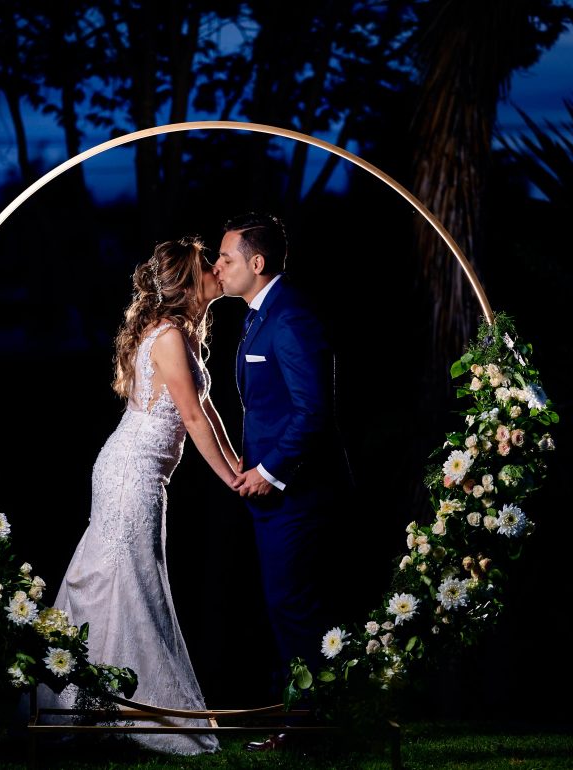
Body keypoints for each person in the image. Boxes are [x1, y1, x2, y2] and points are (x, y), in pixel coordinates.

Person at [37, 236, 240, 755]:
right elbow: (191, 417)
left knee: (121, 583)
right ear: (189, 282)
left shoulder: (180, 333)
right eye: (208, 265)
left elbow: (207, 410)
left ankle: (93, 707)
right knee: (132, 585)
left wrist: (237, 463)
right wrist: (230, 479)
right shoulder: (168, 336)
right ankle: (132, 715)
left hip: (137, 472)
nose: (217, 270)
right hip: (131, 473)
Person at [213, 212, 352, 752]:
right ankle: (309, 722)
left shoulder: (290, 316)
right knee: (286, 605)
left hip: (300, 494)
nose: (217, 267)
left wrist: (270, 472)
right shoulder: (258, 316)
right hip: (277, 497)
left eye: (226, 258)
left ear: (257, 262)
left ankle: (309, 729)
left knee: (295, 606)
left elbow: (312, 410)